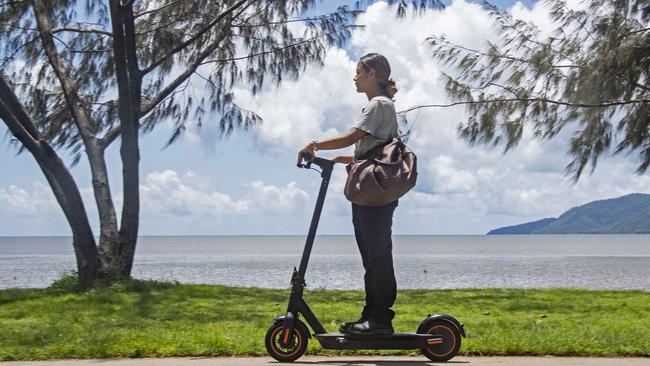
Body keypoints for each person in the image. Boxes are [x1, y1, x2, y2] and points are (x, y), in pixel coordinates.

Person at [297, 53, 399, 336]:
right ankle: (371, 316)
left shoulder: (378, 104)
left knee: (377, 257)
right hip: (372, 192)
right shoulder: (382, 106)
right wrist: (341, 160)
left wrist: (314, 145)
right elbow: (371, 149)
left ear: (374, 73)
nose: (354, 77)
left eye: (359, 71)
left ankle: (380, 320)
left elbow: (352, 137)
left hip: (372, 195)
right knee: (372, 258)